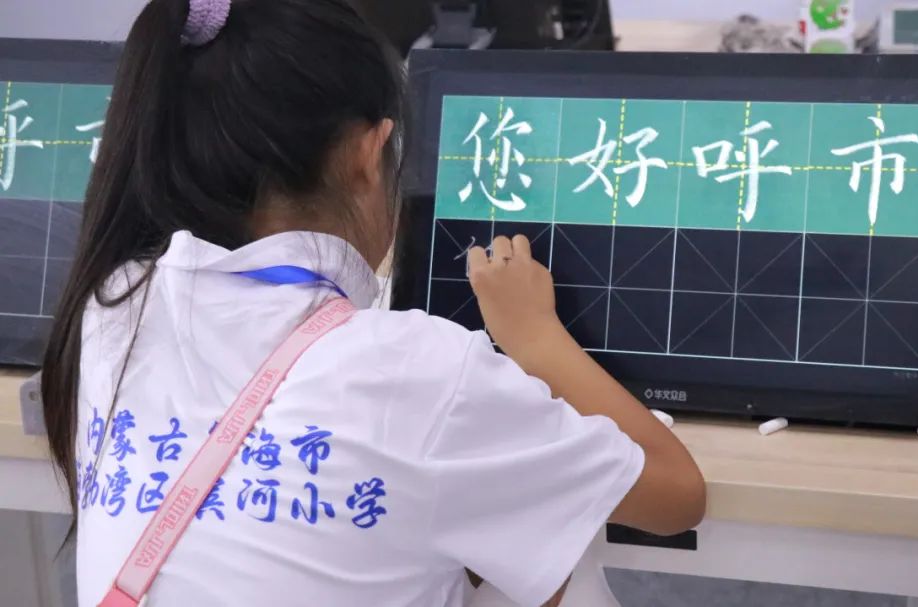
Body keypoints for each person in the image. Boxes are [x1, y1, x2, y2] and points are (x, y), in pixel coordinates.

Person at [39, 0, 706, 605]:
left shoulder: (109, 311)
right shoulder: (416, 367)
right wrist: (534, 336)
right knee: (553, 563)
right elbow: (676, 496)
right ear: (367, 154)